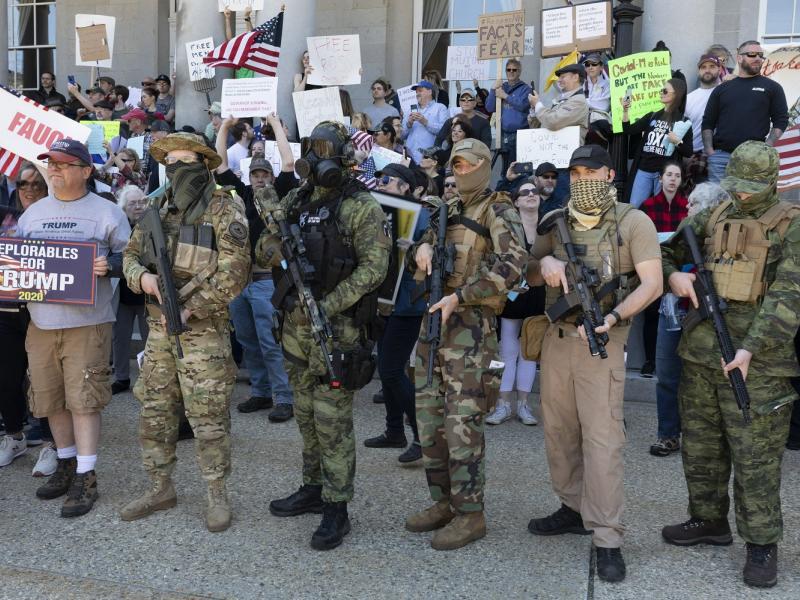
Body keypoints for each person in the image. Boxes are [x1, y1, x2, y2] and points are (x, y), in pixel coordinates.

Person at [660, 141, 800, 588]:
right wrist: (674, 275)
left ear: (772, 182)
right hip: (701, 353)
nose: (741, 196)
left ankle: (761, 544)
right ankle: (708, 521)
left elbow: (788, 297)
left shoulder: (792, 225)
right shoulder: (713, 214)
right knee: (701, 447)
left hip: (758, 365)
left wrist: (750, 349)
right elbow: (664, 251)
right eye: (735, 186)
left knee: (755, 458)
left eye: (750, 189)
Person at [528, 144, 662, 582]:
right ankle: (571, 507)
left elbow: (653, 284)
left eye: (592, 171)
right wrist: (544, 259)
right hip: (557, 340)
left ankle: (607, 536)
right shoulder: (556, 220)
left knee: (603, 442)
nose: (583, 179)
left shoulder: (632, 221)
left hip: (602, 343)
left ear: (609, 174)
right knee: (558, 432)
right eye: (576, 171)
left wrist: (614, 316)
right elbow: (529, 269)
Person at [256, 121, 391, 550]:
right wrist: (273, 246)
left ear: (342, 155)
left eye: (322, 149)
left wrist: (327, 305)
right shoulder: (299, 197)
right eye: (310, 148)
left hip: (337, 332)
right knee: (306, 416)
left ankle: (337, 507)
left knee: (332, 423)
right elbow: (264, 247)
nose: (314, 157)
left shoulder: (360, 206)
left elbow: (375, 269)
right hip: (295, 329)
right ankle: (312, 487)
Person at [120, 132, 250, 532]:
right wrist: (143, 280)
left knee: (207, 417)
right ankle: (161, 487)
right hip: (158, 332)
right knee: (155, 414)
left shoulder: (224, 208)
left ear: (203, 165)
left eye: (184, 162)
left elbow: (236, 269)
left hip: (204, 334)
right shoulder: (156, 208)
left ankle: (216, 494)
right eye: (169, 163)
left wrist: (193, 306)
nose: (176, 170)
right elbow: (128, 256)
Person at [405, 138, 527, 550]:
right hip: (433, 330)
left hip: (470, 333)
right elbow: (413, 256)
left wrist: (462, 295)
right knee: (429, 426)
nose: (459, 171)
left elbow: (512, 265)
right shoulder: (445, 210)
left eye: (466, 164)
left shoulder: (499, 208)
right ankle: (443, 503)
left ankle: (471, 514)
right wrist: (421, 248)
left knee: (463, 430)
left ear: (482, 166)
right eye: (454, 164)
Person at [16, 140, 131, 517]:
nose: (54, 170)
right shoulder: (32, 215)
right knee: (50, 398)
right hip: (41, 322)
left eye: (64, 165)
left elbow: (132, 258)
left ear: (85, 171)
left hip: (88, 323)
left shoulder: (107, 212)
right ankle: (65, 463)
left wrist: (110, 264)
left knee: (83, 400)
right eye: (52, 164)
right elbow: (18, 260)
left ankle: (86, 473)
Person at [215, 115, 297, 423]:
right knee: (248, 340)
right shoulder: (243, 195)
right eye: (256, 174)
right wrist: (224, 127)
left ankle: (284, 397)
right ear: (249, 177)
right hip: (240, 281)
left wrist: (275, 124)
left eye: (264, 174)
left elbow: (288, 163)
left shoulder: (282, 194)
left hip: (267, 282)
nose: (260, 178)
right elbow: (220, 166)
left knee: (270, 341)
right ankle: (261, 392)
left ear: (271, 177)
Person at [649, 182, 728, 457]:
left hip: (708, 316)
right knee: (667, 375)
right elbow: (661, 257)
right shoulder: (685, 232)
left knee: (702, 381)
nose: (688, 208)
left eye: (694, 204)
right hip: (673, 312)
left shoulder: (722, 236)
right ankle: (668, 434)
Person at [365, 163, 429, 463]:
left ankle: (422, 437)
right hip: (384, 301)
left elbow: (432, 253)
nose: (382, 184)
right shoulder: (378, 211)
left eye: (388, 181)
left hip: (407, 304)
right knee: (389, 370)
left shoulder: (422, 214)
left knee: (391, 370)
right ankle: (394, 431)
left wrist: (414, 246)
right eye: (379, 180)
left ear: (405, 186)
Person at [486, 180, 544, 426]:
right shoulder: (508, 226)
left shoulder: (548, 227)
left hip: (538, 294)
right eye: (525, 192)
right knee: (506, 351)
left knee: (529, 351)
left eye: (535, 191)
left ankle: (523, 406)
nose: (531, 195)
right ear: (516, 201)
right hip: (510, 294)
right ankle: (501, 404)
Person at [0, 164, 45, 469]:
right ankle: (15, 435)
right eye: (23, 183)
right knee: (6, 379)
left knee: (45, 381)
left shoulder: (56, 218)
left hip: (44, 313)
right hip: (6, 312)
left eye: (37, 184)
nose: (29, 189)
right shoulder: (4, 215)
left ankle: (55, 443)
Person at [702, 40, 789, 183]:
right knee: (717, 204)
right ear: (739, 58)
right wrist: (710, 151)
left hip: (754, 160)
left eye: (760, 55)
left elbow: (781, 120)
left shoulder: (772, 88)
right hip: (721, 158)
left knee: (749, 203)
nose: (757, 58)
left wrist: (767, 147)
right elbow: (708, 122)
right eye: (752, 54)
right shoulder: (722, 88)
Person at [637, 161, 688, 381]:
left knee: (679, 317)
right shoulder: (647, 206)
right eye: (669, 174)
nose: (673, 179)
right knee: (651, 314)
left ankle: (674, 362)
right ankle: (650, 360)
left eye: (677, 175)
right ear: (661, 178)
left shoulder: (687, 206)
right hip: (652, 266)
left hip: (678, 268)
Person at [622, 78, 693, 208]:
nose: (661, 93)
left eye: (665, 90)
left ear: (676, 94)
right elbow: (629, 130)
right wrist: (625, 111)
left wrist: (677, 141)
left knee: (662, 210)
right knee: (634, 207)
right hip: (644, 169)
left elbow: (688, 151)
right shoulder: (653, 116)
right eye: (661, 90)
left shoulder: (683, 121)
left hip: (664, 173)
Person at [111, 185, 150, 395]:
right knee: (119, 337)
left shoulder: (152, 224)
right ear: (123, 207)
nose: (137, 207)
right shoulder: (118, 225)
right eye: (132, 203)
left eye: (141, 202)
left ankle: (150, 376)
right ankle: (121, 377)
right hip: (123, 293)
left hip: (146, 294)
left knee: (150, 338)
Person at [487, 59, 533, 173]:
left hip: (519, 134)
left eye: (514, 70)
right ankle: (505, 189)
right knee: (505, 168)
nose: (511, 72)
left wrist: (505, 96)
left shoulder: (525, 88)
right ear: (505, 71)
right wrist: (493, 89)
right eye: (508, 69)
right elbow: (489, 107)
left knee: (518, 167)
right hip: (503, 134)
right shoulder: (501, 87)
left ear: (519, 72)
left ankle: (519, 189)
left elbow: (523, 105)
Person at [684, 54, 723, 185]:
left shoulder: (726, 93)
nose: (707, 70)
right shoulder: (689, 99)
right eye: (703, 67)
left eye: (712, 66)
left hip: (718, 156)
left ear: (719, 69)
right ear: (698, 71)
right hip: (692, 157)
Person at [402, 81, 449, 165]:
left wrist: (426, 122)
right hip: (410, 156)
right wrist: (409, 124)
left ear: (430, 91)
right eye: (416, 92)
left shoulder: (440, 108)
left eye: (420, 90)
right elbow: (401, 135)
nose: (417, 93)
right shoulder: (410, 110)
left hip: (429, 158)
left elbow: (444, 132)